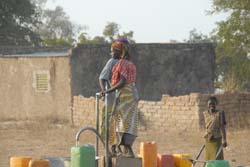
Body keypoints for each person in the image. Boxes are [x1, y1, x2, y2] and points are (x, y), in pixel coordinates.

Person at [100, 40, 139, 158]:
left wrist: (106, 91)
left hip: (124, 95)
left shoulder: (120, 63)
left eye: (113, 51)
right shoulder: (131, 64)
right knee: (129, 123)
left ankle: (116, 148)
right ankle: (127, 149)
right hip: (132, 95)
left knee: (117, 122)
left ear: (119, 52)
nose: (111, 54)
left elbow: (122, 82)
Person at [203, 96, 227, 161]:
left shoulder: (220, 113)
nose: (212, 105)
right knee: (208, 158)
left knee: (217, 159)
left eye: (213, 103)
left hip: (217, 139)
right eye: (210, 104)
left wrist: (224, 140)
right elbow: (207, 127)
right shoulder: (205, 113)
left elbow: (222, 127)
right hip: (208, 139)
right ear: (207, 105)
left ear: (216, 104)